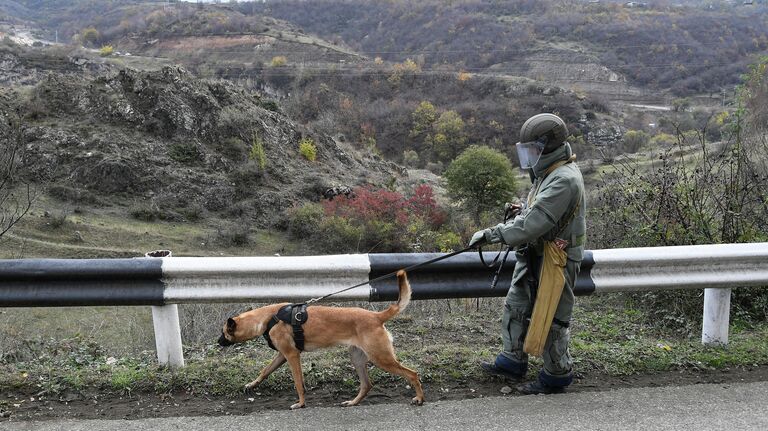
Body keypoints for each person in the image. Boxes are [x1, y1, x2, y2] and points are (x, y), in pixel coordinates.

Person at [469, 113, 586, 395]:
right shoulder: (548, 173)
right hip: (535, 253)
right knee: (517, 305)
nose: (530, 155)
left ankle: (556, 375)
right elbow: (536, 212)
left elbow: (533, 224)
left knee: (552, 316)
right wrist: (520, 209)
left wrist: (492, 233)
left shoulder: (564, 179)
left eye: (533, 149)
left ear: (547, 146)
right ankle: (512, 361)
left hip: (556, 259)